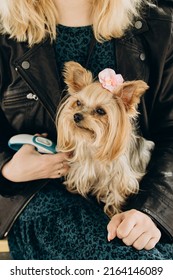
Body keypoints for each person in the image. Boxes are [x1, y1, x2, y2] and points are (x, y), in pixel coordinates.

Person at [0, 0, 173, 260]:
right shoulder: (6, 32)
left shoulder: (161, 24)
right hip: (41, 200)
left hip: (136, 199)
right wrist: (7, 168)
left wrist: (155, 211)